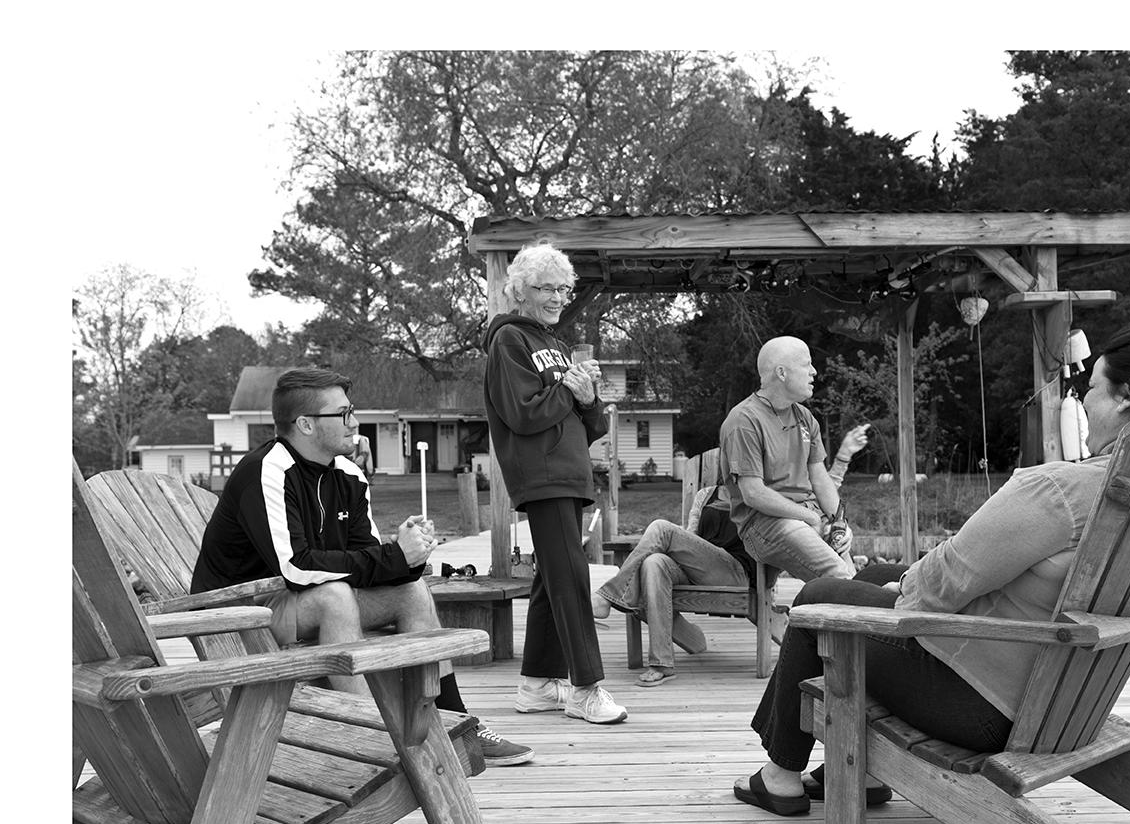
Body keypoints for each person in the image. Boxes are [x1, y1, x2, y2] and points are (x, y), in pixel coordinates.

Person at [733, 322, 1130, 815]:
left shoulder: (1062, 490)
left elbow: (947, 580)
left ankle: (780, 775)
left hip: (979, 704)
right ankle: (858, 772)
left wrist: (903, 591)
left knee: (819, 597)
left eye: (1091, 388)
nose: (1083, 402)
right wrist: (895, 585)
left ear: (1126, 397)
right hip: (1060, 697)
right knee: (865, 581)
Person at [190, 365, 533, 766]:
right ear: (305, 424)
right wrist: (390, 557)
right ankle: (365, 736)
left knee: (410, 591)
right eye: (344, 414)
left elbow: (369, 564)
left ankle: (454, 723)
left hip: (300, 601)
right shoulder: (268, 470)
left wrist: (407, 558)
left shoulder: (349, 475)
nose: (356, 423)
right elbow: (295, 567)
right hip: (244, 611)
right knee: (334, 597)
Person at [591, 425, 872, 686]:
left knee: (661, 528)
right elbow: (690, 537)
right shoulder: (705, 495)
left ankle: (610, 596)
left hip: (739, 573)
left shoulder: (766, 497)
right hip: (699, 568)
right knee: (654, 561)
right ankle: (662, 663)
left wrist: (844, 456)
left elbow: (823, 496)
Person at [483, 241, 628, 724]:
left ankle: (537, 685)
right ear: (521, 290)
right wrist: (566, 387)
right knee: (571, 577)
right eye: (547, 288)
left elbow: (593, 428)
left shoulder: (557, 345)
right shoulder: (508, 341)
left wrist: (586, 396)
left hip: (570, 473)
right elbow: (523, 415)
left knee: (551, 578)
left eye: (564, 290)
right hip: (541, 476)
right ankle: (587, 687)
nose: (558, 298)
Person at [719, 336, 857, 583]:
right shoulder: (744, 421)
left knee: (853, 579)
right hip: (765, 523)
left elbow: (819, 478)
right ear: (782, 373)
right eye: (806, 365)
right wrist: (810, 518)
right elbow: (753, 494)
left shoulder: (804, 417)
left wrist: (839, 522)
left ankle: (815, 620)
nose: (814, 372)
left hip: (807, 517)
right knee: (838, 576)